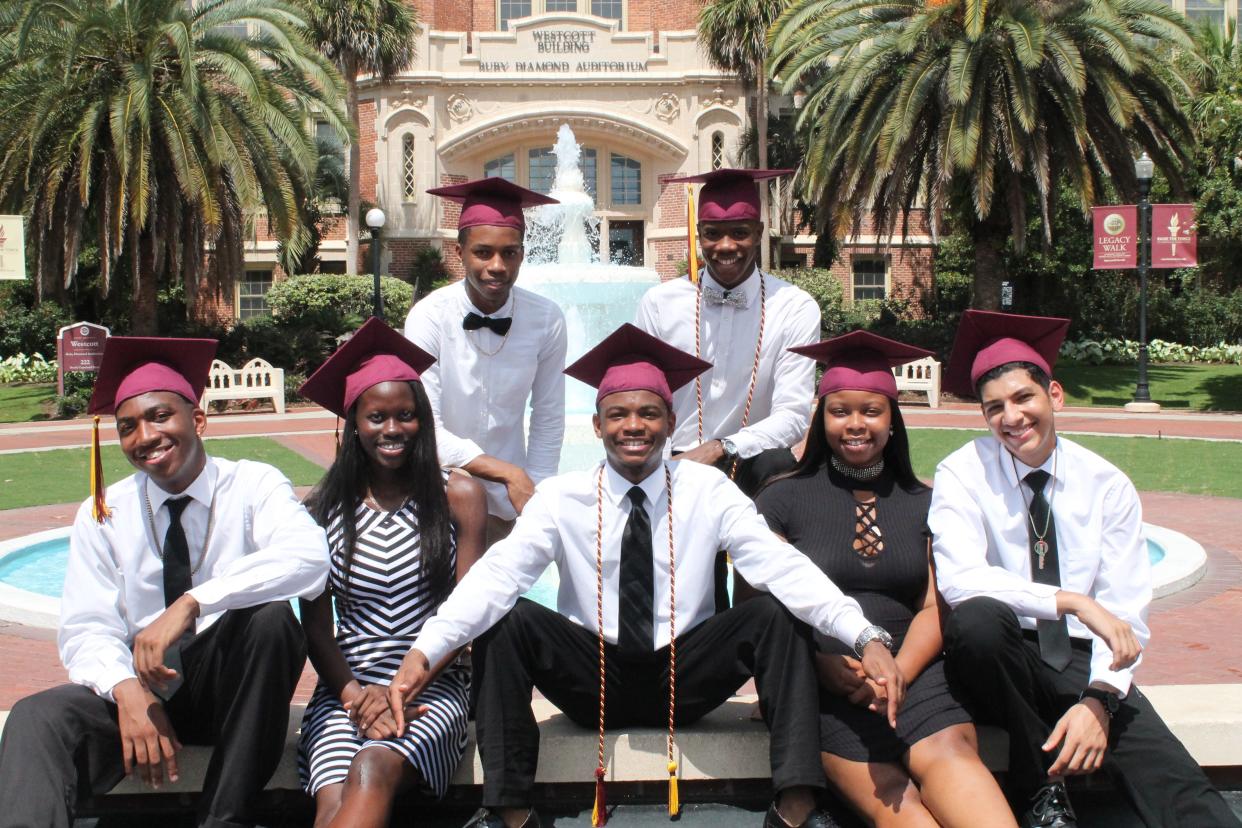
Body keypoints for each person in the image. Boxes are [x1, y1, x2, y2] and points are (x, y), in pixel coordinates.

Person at [378, 323, 906, 828]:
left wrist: (863, 634)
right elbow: (496, 576)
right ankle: (509, 811)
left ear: (671, 422)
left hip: (687, 674)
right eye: (619, 414)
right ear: (597, 424)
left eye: (649, 413)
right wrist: (426, 652)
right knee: (505, 619)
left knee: (773, 611)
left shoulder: (709, 490)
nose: (634, 426)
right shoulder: (562, 498)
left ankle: (795, 805)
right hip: (593, 678)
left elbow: (782, 565)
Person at [0, 337, 329, 828]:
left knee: (273, 620)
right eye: (127, 427)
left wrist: (192, 603)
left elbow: (309, 559)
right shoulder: (103, 512)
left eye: (159, 416)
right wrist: (127, 690)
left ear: (197, 420)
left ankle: (224, 820)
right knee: (34, 717)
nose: (145, 436)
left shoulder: (253, 484)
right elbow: (87, 628)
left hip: (228, 691)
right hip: (143, 688)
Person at [930, 310, 1240, 828]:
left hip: (1075, 655)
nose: (1011, 418)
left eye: (1023, 398)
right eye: (994, 408)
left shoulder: (1107, 484)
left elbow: (1124, 610)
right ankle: (1041, 790)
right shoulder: (962, 472)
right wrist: (1071, 600)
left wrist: (1098, 701)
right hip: (996, 655)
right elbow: (960, 580)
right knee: (979, 621)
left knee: (1175, 780)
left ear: (1055, 395)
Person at [753, 331, 1017, 828]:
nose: (856, 424)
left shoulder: (926, 501)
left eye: (871, 411)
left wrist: (897, 671)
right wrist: (818, 660)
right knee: (899, 804)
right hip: (821, 684)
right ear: (820, 417)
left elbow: (935, 605)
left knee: (956, 765)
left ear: (892, 420)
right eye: (839, 412)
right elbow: (756, 612)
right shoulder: (780, 501)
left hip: (916, 675)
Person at [294, 317, 488, 828]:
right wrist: (358, 696)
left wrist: (399, 691)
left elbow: (465, 619)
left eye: (405, 415)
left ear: (422, 420)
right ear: (353, 424)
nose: (392, 429)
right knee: (332, 799)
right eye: (376, 417)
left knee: (370, 769)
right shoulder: (321, 512)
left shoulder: (458, 496)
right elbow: (316, 628)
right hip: (346, 689)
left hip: (433, 684)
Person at [634, 168, 819, 496]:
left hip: (753, 460)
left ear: (759, 232)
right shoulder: (660, 303)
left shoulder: (794, 307)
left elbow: (792, 416)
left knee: (778, 464)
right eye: (712, 233)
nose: (725, 246)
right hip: (678, 457)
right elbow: (645, 396)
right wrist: (664, 466)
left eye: (739, 232)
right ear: (698, 233)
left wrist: (722, 447)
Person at [404, 177, 568, 543]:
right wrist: (506, 472)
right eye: (483, 252)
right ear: (459, 252)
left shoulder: (546, 319)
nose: (497, 265)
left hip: (509, 504)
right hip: (438, 488)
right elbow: (425, 426)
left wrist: (535, 494)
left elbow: (548, 417)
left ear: (522, 254)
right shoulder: (429, 317)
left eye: (509, 253)